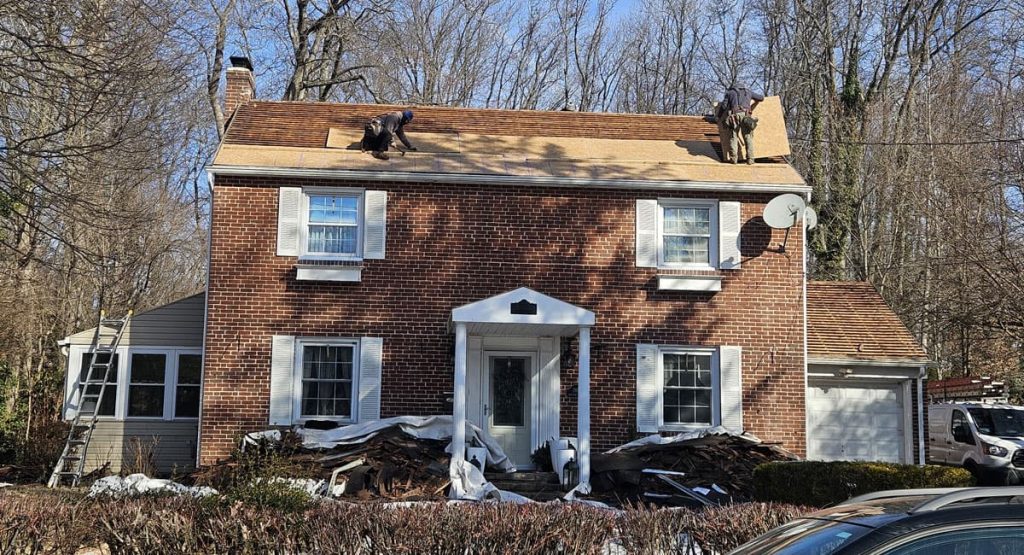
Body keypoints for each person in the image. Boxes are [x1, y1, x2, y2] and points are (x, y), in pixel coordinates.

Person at [717, 84, 764, 164]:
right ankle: (750, 159)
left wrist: (718, 116)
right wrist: (753, 103)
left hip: (734, 117)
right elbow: (761, 98)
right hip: (746, 117)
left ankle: (734, 159)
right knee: (748, 137)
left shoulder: (730, 92)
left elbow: (724, 106)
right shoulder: (748, 92)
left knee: (733, 137)